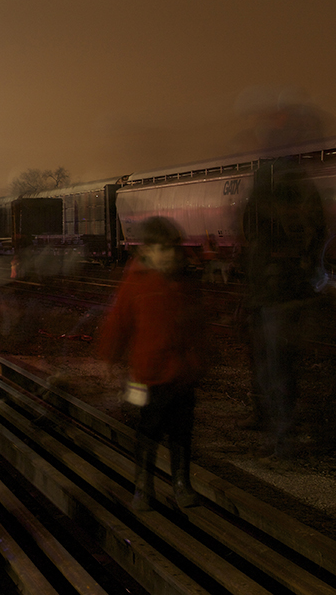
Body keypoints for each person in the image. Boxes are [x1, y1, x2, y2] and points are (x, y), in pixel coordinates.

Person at [98, 216, 209, 511]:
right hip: (148, 374)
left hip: (183, 373)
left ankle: (181, 483)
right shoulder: (136, 282)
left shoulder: (186, 282)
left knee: (182, 433)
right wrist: (110, 355)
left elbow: (198, 324)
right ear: (145, 251)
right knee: (148, 433)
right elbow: (119, 321)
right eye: (163, 249)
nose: (170, 255)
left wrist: (205, 357)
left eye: (173, 249)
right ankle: (143, 485)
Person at [239, 160, 326, 459]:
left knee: (276, 371)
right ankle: (278, 429)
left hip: (277, 298)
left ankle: (283, 439)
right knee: (272, 369)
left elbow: (255, 239)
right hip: (271, 296)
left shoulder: (279, 209)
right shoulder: (301, 200)